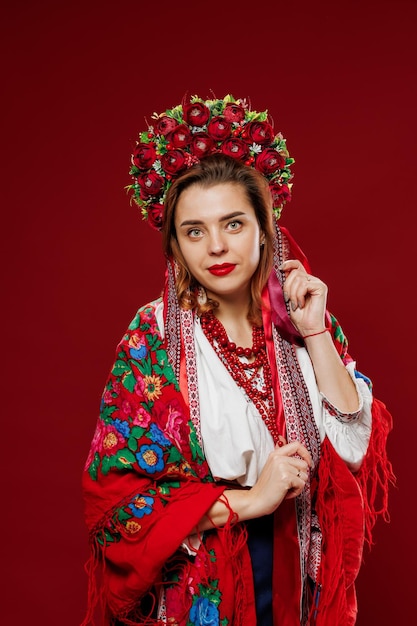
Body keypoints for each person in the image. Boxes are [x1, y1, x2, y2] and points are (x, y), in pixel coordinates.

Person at [81, 94, 394, 626]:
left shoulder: (301, 321)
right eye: (194, 232)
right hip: (203, 579)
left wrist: (314, 330)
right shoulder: (153, 337)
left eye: (234, 224)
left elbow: (354, 448)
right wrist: (252, 500)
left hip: (301, 578)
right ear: (176, 248)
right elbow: (116, 502)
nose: (217, 248)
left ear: (263, 227)